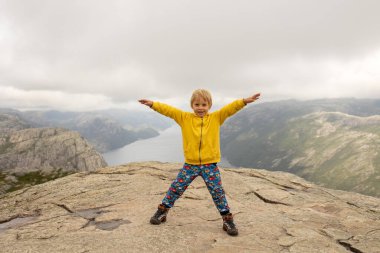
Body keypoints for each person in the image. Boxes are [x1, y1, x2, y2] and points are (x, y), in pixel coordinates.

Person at [139, 89, 261, 236]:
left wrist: (243, 102)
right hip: (191, 164)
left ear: (209, 105)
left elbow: (229, 109)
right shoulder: (184, 117)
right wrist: (153, 104)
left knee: (217, 192)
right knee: (176, 187)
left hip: (210, 165)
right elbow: (169, 110)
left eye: (204, 104)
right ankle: (162, 212)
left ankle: (227, 220)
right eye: (197, 104)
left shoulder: (216, 117)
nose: (200, 107)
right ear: (192, 105)